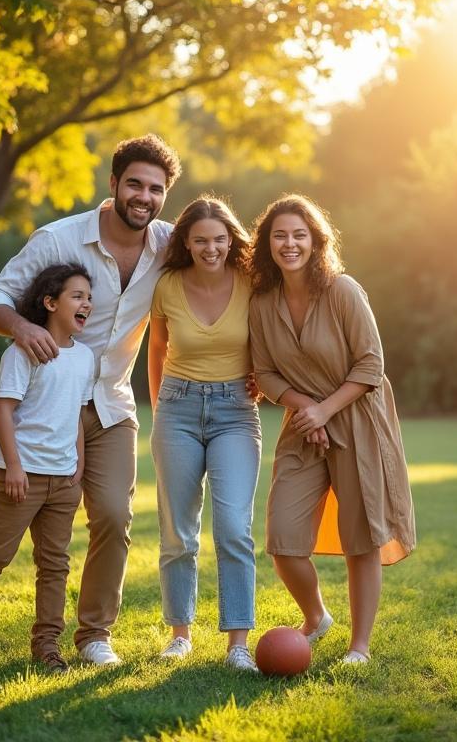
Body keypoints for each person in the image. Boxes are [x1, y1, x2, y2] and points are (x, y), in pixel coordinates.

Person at [0, 134, 183, 665]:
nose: (144, 195)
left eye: (156, 188)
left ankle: (94, 636)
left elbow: (228, 254)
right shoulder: (58, 239)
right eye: (134, 183)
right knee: (29, 538)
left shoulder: (168, 245)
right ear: (112, 185)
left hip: (113, 406)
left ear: (165, 195)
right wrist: (21, 326)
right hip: (52, 410)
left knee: (113, 515)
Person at [247, 194, 414, 665]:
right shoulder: (262, 302)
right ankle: (317, 616)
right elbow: (266, 373)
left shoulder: (342, 290)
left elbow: (371, 364)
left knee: (362, 538)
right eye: (279, 235)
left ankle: (358, 646)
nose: (289, 243)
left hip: (359, 420)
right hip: (304, 426)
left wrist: (327, 410)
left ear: (316, 241)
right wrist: (308, 410)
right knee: (283, 539)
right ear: (268, 243)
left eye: (299, 234)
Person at [0, 264, 97, 673]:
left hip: (63, 481)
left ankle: (47, 644)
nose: (87, 304)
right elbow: (4, 410)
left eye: (88, 297)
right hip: (21, 478)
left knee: (55, 565)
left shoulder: (86, 358)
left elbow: (76, 414)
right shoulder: (21, 351)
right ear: (50, 302)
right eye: (77, 296)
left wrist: (77, 463)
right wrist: (13, 467)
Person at [146, 197, 270, 672]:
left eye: (219, 239)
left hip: (236, 411)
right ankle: (180, 634)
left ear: (231, 239)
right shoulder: (169, 286)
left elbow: (272, 333)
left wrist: (264, 374)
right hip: (177, 408)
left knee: (235, 529)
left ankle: (238, 643)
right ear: (186, 243)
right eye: (200, 240)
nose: (211, 248)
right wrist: (161, 411)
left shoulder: (251, 284)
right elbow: (156, 349)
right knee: (178, 532)